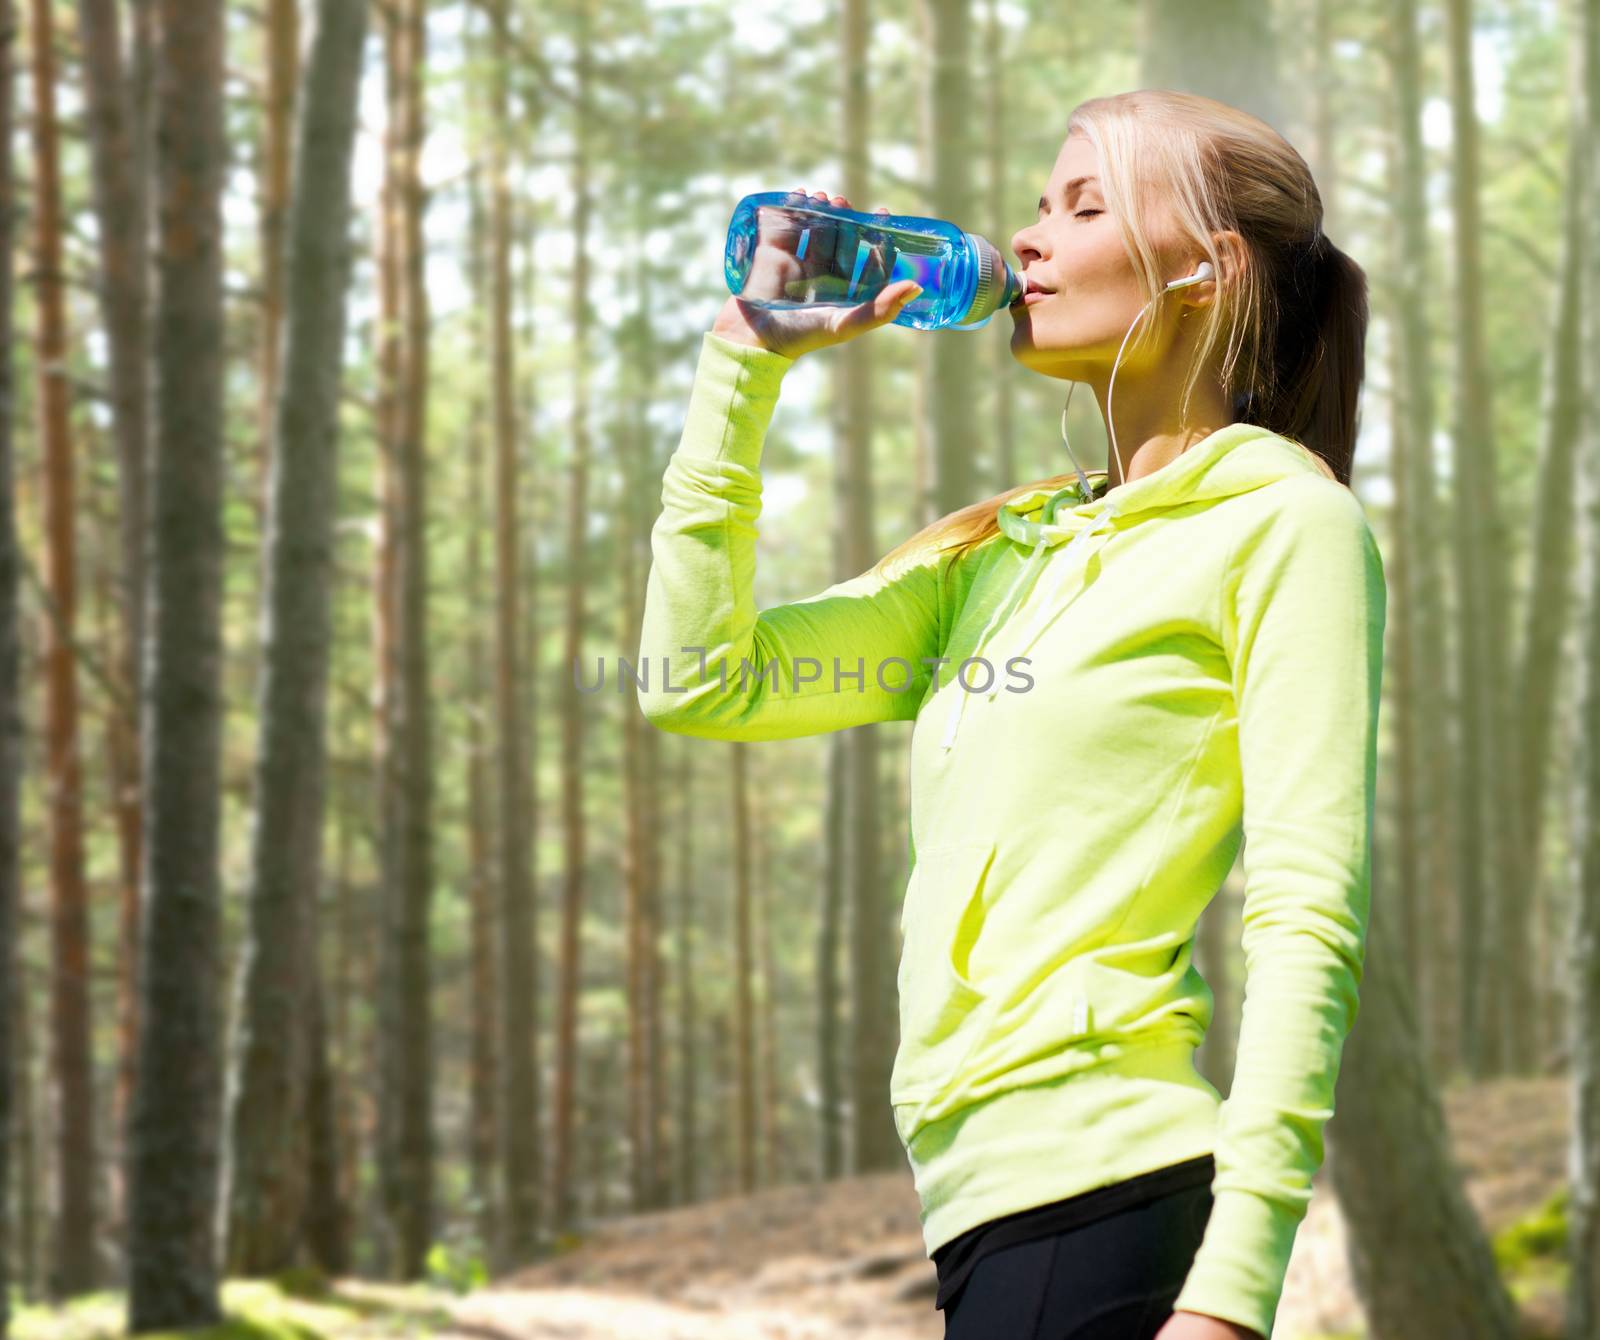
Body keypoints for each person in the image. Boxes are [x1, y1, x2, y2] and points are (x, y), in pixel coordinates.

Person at [637, 87, 1384, 1340]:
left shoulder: (1283, 524)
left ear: (1208, 269)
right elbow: (698, 683)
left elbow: (1308, 913)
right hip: (985, 1216)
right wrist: (741, 369)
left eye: (1082, 205)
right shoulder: (1003, 550)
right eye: (1037, 205)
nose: (1028, 239)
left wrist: (1232, 1291)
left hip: (1110, 1199)